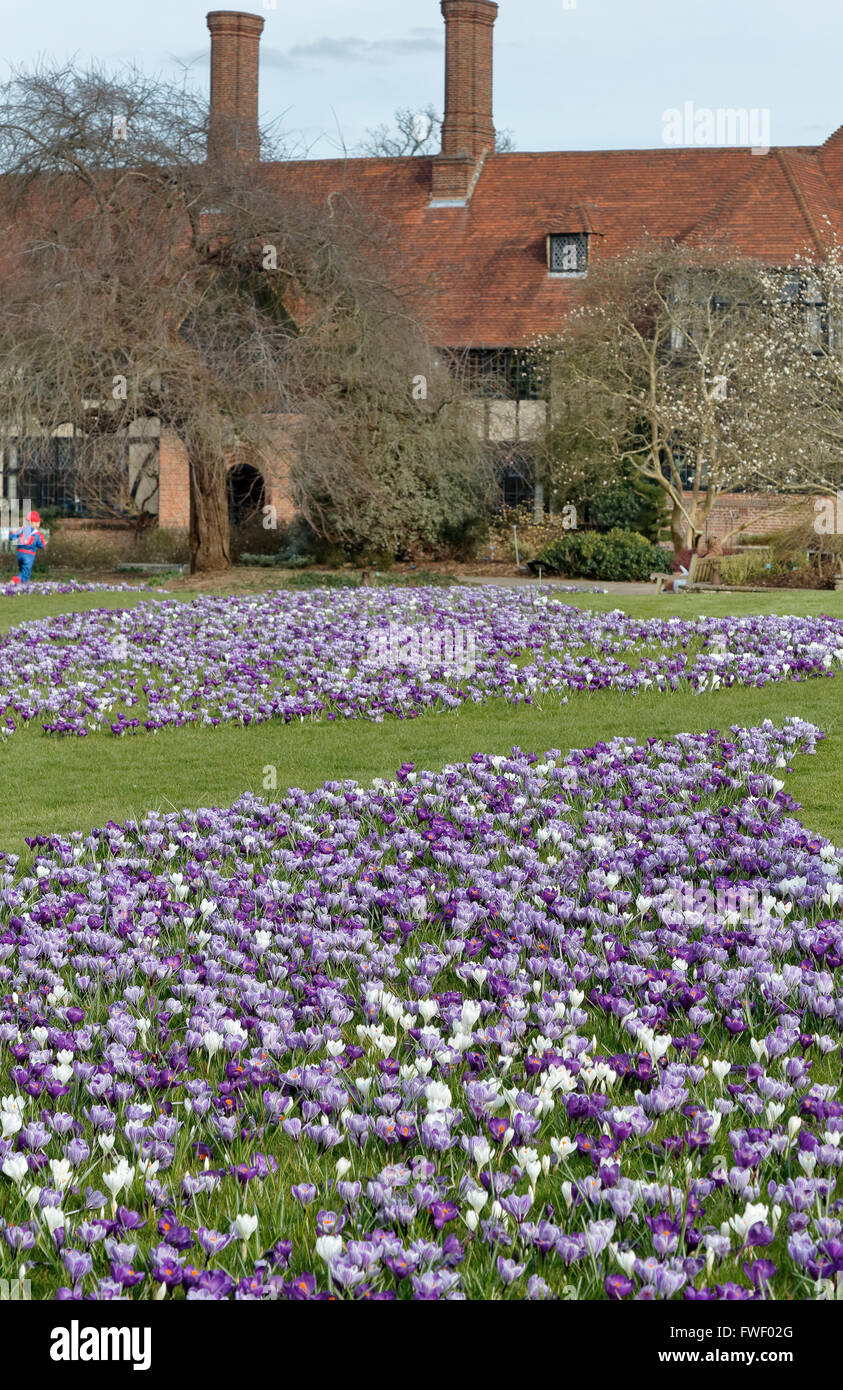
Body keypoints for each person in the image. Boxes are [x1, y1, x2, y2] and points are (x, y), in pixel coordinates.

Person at [10, 511, 47, 584]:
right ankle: (15, 579)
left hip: (19, 553)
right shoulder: (38, 533)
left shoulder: (22, 529)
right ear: (35, 523)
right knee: (25, 571)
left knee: (23, 570)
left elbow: (12, 536)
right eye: (38, 522)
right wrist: (44, 544)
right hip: (29, 554)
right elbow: (41, 545)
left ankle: (24, 586)